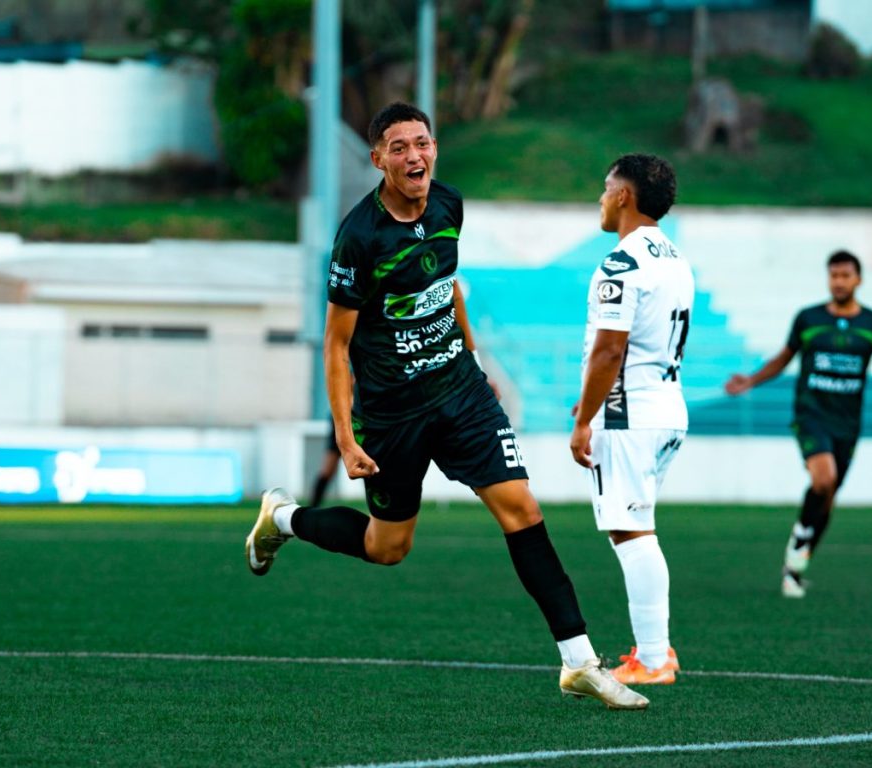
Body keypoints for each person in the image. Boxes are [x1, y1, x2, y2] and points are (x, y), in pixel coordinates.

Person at [245, 102, 647, 710]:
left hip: (460, 393)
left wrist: (477, 362)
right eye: (399, 147)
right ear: (378, 159)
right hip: (392, 415)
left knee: (522, 509)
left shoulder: (449, 205)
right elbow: (336, 345)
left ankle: (579, 661)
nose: (415, 156)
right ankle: (283, 519)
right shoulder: (358, 238)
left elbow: (448, 286)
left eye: (423, 143)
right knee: (388, 548)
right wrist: (346, 439)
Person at [569, 154, 692, 686]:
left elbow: (609, 352)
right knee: (637, 527)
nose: (600, 197)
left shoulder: (621, 263)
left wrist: (585, 420)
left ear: (624, 196)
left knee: (632, 531)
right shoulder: (674, 257)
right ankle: (654, 649)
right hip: (665, 407)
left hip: (628, 415)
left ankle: (654, 656)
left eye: (605, 187)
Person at [725, 250, 872, 598]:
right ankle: (800, 540)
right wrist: (751, 381)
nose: (839, 281)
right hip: (811, 415)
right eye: (833, 275)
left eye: (845, 275)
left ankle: (796, 562)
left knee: (828, 496)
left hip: (847, 424)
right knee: (824, 479)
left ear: (858, 279)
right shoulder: (809, 318)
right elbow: (783, 357)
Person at [310, 421, 341, 507]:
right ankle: (313, 508)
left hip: (365, 419)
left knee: (370, 468)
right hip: (341, 422)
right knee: (327, 471)